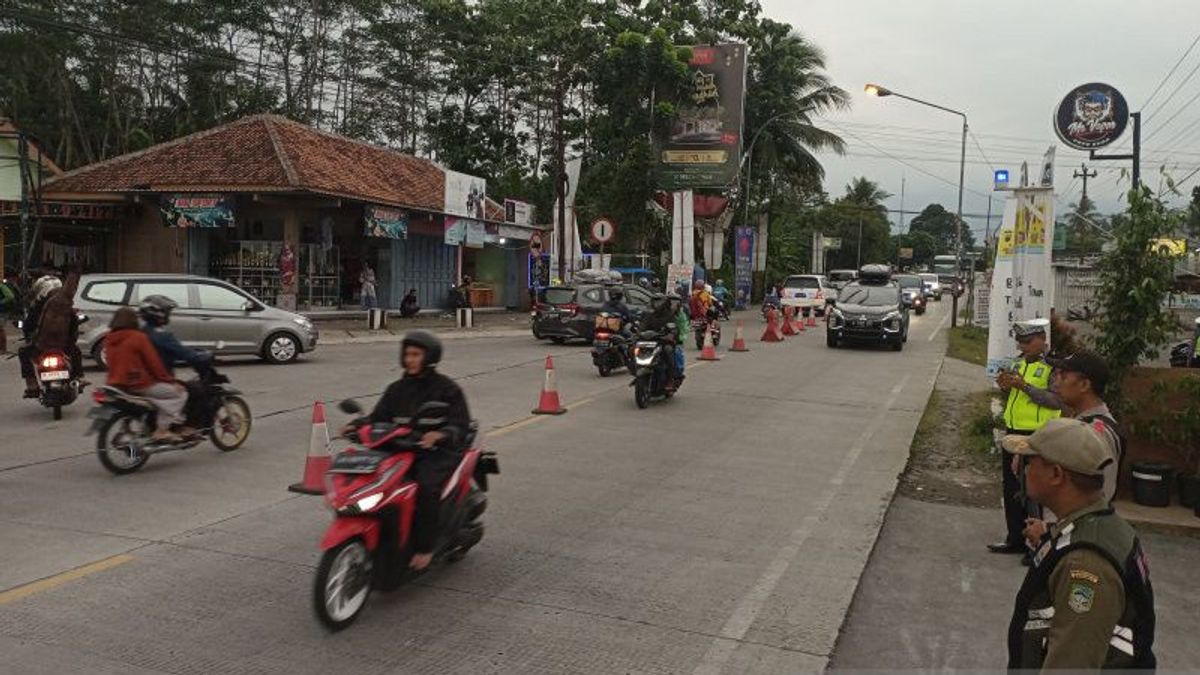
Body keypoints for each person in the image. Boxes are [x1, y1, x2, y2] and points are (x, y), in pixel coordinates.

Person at [1004, 418, 1156, 670]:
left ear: (1056, 474)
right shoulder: (1099, 525)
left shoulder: (1085, 564)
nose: (1025, 469)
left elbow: (1072, 663)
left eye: (1031, 462)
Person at [360, 331, 470, 571]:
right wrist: (357, 425)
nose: (410, 359)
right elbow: (378, 417)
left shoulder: (447, 389)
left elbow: (460, 424)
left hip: (437, 452)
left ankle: (425, 548)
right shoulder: (396, 389)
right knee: (369, 481)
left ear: (429, 357)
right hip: (400, 450)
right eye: (407, 354)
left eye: (416, 354)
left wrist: (440, 435)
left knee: (425, 488)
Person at [1021, 349, 1125, 547]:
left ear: (1085, 384)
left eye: (1064, 375)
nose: (1056, 381)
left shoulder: (1097, 432)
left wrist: (1051, 530)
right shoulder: (1079, 421)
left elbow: (1100, 495)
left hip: (1076, 540)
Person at [989, 318, 1062, 556]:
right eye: (1020, 343)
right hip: (1014, 432)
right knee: (1012, 488)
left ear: (1043, 340)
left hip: (1039, 435)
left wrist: (1025, 387)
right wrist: (1005, 386)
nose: (1023, 347)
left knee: (1035, 491)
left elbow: (1056, 400)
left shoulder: (1053, 367)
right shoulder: (1018, 363)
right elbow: (1012, 392)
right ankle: (1015, 539)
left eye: (1028, 342)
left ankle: (1037, 545)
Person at [104, 307, 187, 443]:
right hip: (139, 384)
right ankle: (162, 430)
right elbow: (155, 363)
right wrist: (171, 381)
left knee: (158, 396)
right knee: (180, 394)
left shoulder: (109, 338)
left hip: (116, 384)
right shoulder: (138, 337)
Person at [138, 295, 212, 435]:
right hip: (159, 380)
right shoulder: (163, 336)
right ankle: (186, 427)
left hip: (142, 379)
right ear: (160, 314)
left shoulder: (142, 332)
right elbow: (186, 355)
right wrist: (204, 356)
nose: (169, 316)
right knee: (197, 390)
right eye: (167, 312)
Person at [34, 269, 87, 385]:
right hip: (64, 346)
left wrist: (30, 337)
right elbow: (74, 328)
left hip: (41, 346)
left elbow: (29, 326)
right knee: (76, 351)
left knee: (23, 353)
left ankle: (31, 384)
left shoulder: (38, 307)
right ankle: (78, 377)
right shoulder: (67, 306)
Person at [640, 295, 684, 389]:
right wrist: (639, 333)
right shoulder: (649, 315)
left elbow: (675, 329)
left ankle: (670, 379)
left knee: (668, 351)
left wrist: (671, 334)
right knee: (635, 348)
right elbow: (642, 327)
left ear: (664, 303)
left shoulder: (669, 315)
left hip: (664, 342)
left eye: (659, 302)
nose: (657, 304)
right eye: (655, 302)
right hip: (650, 342)